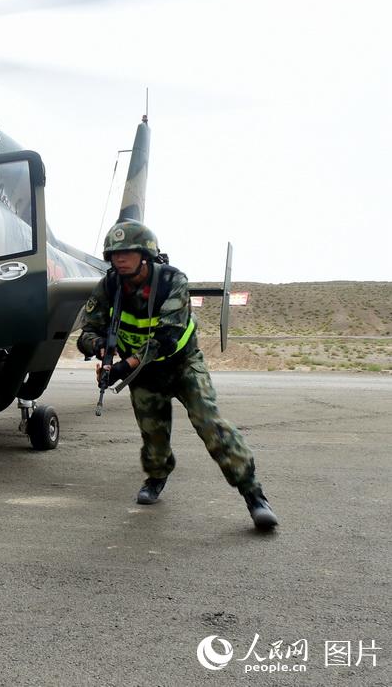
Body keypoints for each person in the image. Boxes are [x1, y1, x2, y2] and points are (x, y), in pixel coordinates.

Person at [77, 220, 279, 531]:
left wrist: (123, 366)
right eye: (115, 253)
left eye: (128, 252)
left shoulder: (172, 281)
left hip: (182, 365)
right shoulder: (109, 286)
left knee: (209, 423)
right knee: (153, 437)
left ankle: (254, 495)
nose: (119, 258)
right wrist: (102, 348)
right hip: (143, 374)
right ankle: (157, 476)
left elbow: (167, 338)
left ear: (146, 254)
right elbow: (86, 331)